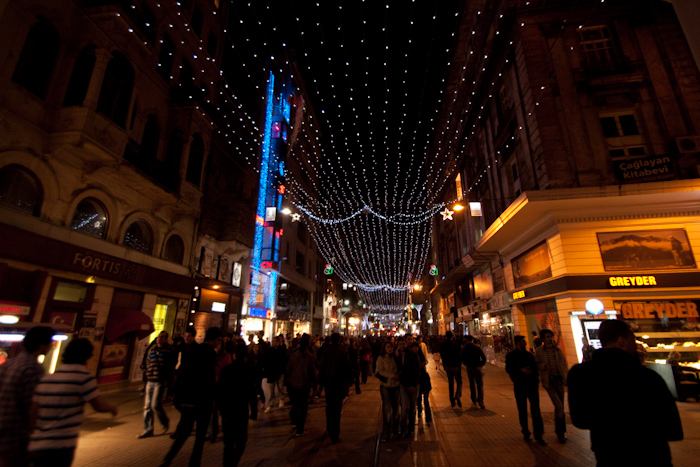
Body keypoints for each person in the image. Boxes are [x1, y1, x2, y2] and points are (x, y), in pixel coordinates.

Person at [568, 319, 683, 466]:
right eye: (633, 339)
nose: (635, 345)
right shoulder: (647, 378)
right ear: (622, 341)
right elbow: (673, 429)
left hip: (608, 455)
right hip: (652, 456)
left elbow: (580, 420)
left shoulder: (580, 374)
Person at [27, 338, 118, 467]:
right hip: (61, 445)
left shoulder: (48, 378)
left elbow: (33, 412)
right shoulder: (84, 377)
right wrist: (112, 408)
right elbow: (98, 406)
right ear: (88, 356)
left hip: (37, 445)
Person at [158, 327, 219, 467]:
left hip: (188, 397)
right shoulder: (210, 353)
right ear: (215, 339)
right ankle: (194, 463)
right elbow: (208, 378)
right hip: (203, 399)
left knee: (184, 432)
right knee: (200, 435)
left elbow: (184, 371)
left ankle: (168, 458)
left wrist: (177, 392)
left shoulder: (193, 350)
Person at [0, 326, 54, 467]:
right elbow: (32, 406)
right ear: (42, 345)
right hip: (16, 434)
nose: (52, 347)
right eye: (51, 343)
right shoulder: (33, 368)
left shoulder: (10, 364)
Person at [216, 340, 257, 467]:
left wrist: (221, 409)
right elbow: (252, 392)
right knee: (240, 441)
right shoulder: (248, 371)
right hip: (241, 411)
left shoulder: (226, 370)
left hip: (227, 411)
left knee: (228, 443)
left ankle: (226, 464)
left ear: (234, 355)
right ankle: (232, 463)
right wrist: (254, 411)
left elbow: (219, 391)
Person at [505, 335, 545, 445]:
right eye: (523, 341)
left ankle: (539, 434)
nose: (525, 343)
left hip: (532, 385)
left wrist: (535, 377)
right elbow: (509, 369)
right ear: (518, 342)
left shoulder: (529, 355)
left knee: (536, 410)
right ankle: (526, 432)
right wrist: (520, 371)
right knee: (522, 410)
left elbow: (535, 368)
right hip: (520, 385)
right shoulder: (511, 356)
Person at [534, 329, 568, 443]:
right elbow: (537, 364)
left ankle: (561, 432)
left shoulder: (557, 350)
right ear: (543, 339)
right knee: (559, 407)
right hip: (549, 381)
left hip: (559, 380)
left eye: (551, 337)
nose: (550, 339)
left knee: (561, 407)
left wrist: (565, 377)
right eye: (547, 337)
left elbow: (563, 364)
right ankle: (560, 433)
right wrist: (544, 366)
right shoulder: (539, 351)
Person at [138, 331, 175, 439]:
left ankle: (164, 421)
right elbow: (148, 361)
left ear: (166, 339)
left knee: (155, 404)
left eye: (163, 337)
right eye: (159, 337)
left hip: (160, 380)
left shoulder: (169, 350)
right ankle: (148, 429)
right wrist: (147, 372)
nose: (160, 339)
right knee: (147, 406)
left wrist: (168, 380)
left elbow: (170, 366)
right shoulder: (152, 349)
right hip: (150, 380)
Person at [319, 332, 352, 444]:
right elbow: (348, 367)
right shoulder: (343, 352)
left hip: (329, 384)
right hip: (339, 384)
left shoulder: (326, 352)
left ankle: (329, 428)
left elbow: (322, 368)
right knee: (337, 409)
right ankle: (335, 433)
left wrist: (320, 383)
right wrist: (350, 381)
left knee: (329, 407)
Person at [285, 333, 316, 437]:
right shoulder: (309, 356)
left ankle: (294, 422)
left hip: (294, 384)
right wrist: (313, 383)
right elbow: (312, 372)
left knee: (296, 404)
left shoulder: (294, 355)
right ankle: (300, 429)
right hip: (304, 384)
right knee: (303, 407)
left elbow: (288, 369)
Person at [375, 340, 400, 442]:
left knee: (396, 409)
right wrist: (392, 375)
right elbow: (379, 371)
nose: (390, 349)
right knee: (386, 410)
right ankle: (386, 433)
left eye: (391, 347)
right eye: (388, 347)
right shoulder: (380, 358)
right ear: (384, 348)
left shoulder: (395, 357)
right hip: (385, 386)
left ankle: (395, 429)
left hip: (396, 386)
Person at [396, 337, 420, 437]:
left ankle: (410, 429)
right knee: (405, 407)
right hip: (403, 384)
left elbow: (416, 370)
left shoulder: (412, 355)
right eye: (400, 344)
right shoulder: (397, 356)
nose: (402, 346)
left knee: (412, 408)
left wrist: (413, 384)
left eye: (403, 344)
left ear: (406, 344)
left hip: (412, 385)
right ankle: (403, 429)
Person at [461, 335, 486, 409]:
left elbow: (462, 358)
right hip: (478, 367)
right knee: (480, 384)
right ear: (472, 340)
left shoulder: (465, 348)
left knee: (472, 384)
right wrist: (481, 364)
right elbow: (484, 358)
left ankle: (474, 399)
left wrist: (467, 364)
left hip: (470, 368)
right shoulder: (477, 347)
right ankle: (480, 400)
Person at [440, 331, 462, 407]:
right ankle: (458, 395)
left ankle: (452, 400)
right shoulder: (456, 344)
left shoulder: (444, 345)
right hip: (455, 365)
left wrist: (444, 364)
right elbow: (459, 355)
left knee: (451, 383)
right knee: (459, 382)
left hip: (448, 366)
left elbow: (442, 355)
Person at [413, 342, 432, 427]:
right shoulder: (411, 356)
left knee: (426, 401)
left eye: (417, 347)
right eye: (414, 347)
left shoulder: (420, 356)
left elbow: (424, 363)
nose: (415, 349)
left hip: (424, 380)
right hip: (417, 380)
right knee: (419, 399)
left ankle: (428, 419)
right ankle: (419, 413)